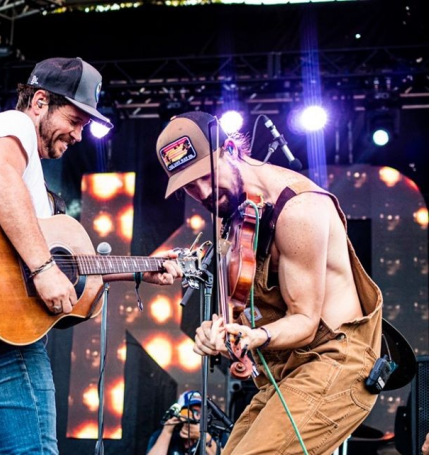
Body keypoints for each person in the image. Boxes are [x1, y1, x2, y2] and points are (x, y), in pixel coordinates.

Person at [0, 57, 183, 455]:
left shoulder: (30, 194)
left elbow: (63, 267)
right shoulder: (13, 125)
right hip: (0, 343)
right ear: (40, 101)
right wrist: (44, 266)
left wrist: (140, 270)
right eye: (76, 120)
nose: (80, 135)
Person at [154, 111, 383, 455]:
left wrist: (257, 336)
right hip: (285, 372)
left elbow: (305, 322)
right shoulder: (232, 218)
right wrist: (221, 336)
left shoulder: (298, 209)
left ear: (230, 150)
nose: (200, 192)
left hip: (334, 362)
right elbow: (237, 316)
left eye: (204, 175)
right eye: (187, 186)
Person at [146, 391, 220, 455]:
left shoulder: (216, 434)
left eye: (203, 412)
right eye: (194, 411)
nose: (198, 417)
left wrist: (204, 436)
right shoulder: (163, 434)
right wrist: (167, 432)